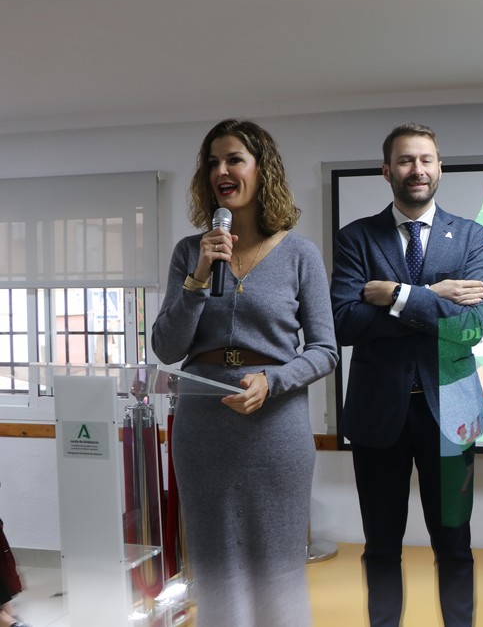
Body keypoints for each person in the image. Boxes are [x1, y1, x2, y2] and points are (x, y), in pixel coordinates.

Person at [150, 119, 338, 627]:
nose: (221, 171)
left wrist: (272, 382)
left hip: (275, 428)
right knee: (214, 568)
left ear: (262, 169)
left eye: (234, 159)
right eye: (212, 162)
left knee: (277, 568)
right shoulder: (190, 253)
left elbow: (325, 350)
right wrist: (197, 280)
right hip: (202, 426)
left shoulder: (300, 254)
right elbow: (166, 348)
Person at [330, 123, 483, 627]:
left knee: (455, 546)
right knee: (380, 547)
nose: (417, 169)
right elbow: (344, 322)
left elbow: (471, 328)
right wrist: (438, 296)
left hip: (451, 415)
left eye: (426, 159)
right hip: (380, 416)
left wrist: (396, 296)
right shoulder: (356, 238)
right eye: (405, 160)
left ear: (440, 167)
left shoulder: (470, 236)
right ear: (387, 171)